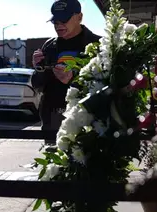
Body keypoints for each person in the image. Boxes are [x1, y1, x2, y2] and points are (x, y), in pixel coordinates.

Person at [32, 0, 100, 142]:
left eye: (64, 19)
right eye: (55, 21)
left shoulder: (97, 45)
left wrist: (73, 80)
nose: (59, 25)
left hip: (87, 127)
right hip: (53, 125)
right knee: (51, 163)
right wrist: (39, 69)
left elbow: (107, 87)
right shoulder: (49, 46)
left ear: (79, 17)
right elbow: (37, 85)